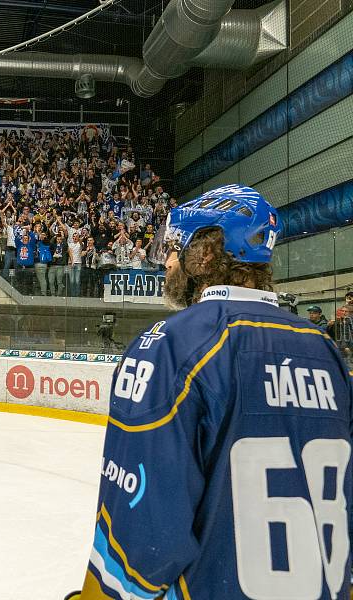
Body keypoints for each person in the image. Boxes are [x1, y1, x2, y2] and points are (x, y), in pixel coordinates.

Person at [67, 185, 353, 600]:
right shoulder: (326, 351)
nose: (165, 262)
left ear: (203, 255)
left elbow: (142, 537)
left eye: (172, 249)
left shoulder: (172, 345)